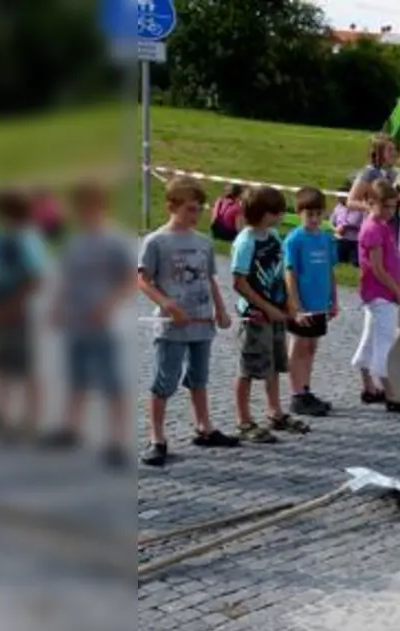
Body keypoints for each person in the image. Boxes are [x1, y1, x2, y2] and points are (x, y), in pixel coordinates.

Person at [138, 176, 238, 467]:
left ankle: (204, 427)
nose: (197, 215)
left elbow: (210, 279)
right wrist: (167, 304)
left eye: (199, 209)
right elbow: (142, 281)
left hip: (202, 323)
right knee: (164, 381)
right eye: (191, 209)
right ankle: (157, 438)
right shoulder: (156, 241)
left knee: (199, 378)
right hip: (172, 327)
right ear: (172, 206)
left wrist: (220, 309)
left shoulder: (203, 242)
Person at [46, 180, 134, 466]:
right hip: (75, 320)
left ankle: (117, 440)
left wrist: (108, 305)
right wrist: (56, 306)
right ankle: (71, 428)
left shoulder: (114, 240)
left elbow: (130, 279)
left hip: (104, 323)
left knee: (111, 383)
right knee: (75, 377)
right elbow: (66, 277)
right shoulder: (76, 240)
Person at [230, 185, 307, 443]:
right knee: (249, 368)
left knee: (273, 364)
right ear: (265, 214)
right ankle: (243, 419)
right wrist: (268, 308)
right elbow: (239, 282)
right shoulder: (246, 242)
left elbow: (282, 270)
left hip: (276, 313)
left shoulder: (273, 236)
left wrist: (287, 304)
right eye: (278, 212)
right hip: (256, 316)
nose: (282, 216)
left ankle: (275, 412)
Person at [0, 189, 48, 440]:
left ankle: (32, 420)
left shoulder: (24, 239)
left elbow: (35, 277)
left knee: (26, 366)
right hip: (2, 308)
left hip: (19, 311)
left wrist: (13, 305)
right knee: (1, 364)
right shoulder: (4, 238)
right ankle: (1, 413)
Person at [352, 179, 400, 412]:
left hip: (385, 291)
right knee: (385, 340)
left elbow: (393, 258)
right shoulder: (371, 229)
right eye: (384, 206)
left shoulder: (384, 226)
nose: (389, 211)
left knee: (371, 337)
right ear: (370, 203)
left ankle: (368, 386)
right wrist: (396, 289)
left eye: (393, 207)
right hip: (380, 293)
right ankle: (391, 392)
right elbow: (376, 268)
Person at [284, 187, 339, 418]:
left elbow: (330, 270)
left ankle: (306, 389)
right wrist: (295, 306)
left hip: (320, 303)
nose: (315, 219)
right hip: (302, 304)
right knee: (298, 346)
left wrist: (333, 299)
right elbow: (290, 273)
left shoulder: (326, 239)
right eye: (309, 215)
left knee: (311, 347)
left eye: (318, 214)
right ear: (300, 213)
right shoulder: (294, 240)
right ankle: (296, 393)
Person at [331, 180, 364, 266]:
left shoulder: (358, 208)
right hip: (340, 239)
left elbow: (360, 223)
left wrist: (347, 226)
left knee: (355, 262)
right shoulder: (337, 208)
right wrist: (336, 229)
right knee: (339, 260)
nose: (339, 199)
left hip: (355, 240)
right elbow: (332, 222)